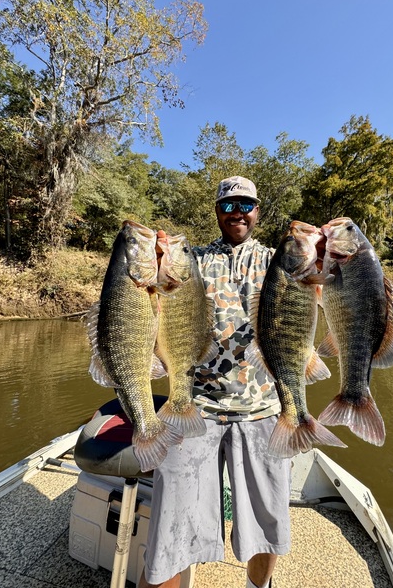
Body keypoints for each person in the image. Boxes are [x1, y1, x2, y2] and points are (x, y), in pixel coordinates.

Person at [138, 176, 291, 588]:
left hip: (263, 407)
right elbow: (155, 287)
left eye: (245, 205)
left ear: (258, 211)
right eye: (227, 206)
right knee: (171, 525)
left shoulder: (281, 262)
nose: (236, 212)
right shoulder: (194, 260)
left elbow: (325, 283)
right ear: (217, 213)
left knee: (267, 522)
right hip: (193, 404)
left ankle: (259, 585)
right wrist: (154, 257)